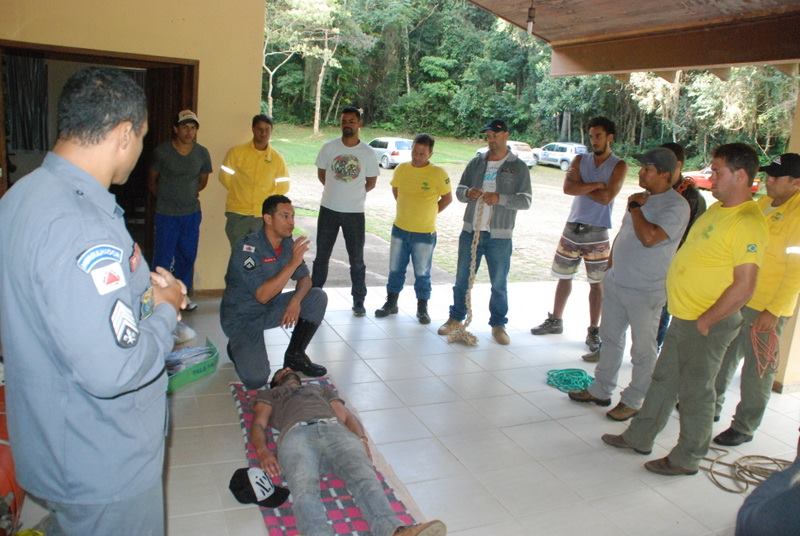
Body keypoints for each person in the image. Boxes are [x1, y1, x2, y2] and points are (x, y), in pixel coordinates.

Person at [0, 67, 186, 535]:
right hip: (103, 456)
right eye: (142, 137)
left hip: (55, 434)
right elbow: (115, 369)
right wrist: (165, 309)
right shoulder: (82, 224)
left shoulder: (22, 195)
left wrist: (145, 293)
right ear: (125, 134)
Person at [602, 143, 769, 477]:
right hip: (686, 314)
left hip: (708, 321)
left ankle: (687, 457)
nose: (710, 175)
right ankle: (640, 436)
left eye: (717, 170)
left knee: (696, 392)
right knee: (664, 380)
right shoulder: (720, 210)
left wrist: (708, 319)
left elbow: (745, 285)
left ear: (739, 175)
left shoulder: (748, 222)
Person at [567, 148, 689, 421]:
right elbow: (625, 235)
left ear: (665, 175)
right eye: (642, 167)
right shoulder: (642, 198)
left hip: (646, 290)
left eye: (647, 169)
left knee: (642, 350)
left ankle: (634, 400)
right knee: (610, 339)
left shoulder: (676, 206)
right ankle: (600, 389)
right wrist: (610, 269)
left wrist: (635, 208)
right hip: (618, 282)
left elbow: (649, 237)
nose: (641, 173)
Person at [251, 367, 447, 536]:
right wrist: (262, 451)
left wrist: (361, 439)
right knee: (303, 488)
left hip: (335, 429)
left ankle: (395, 531)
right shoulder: (271, 395)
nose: (287, 371)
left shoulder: (318, 388)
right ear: (275, 383)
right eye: (281, 372)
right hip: (296, 434)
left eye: (289, 370)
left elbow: (346, 416)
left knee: (365, 477)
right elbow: (259, 423)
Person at [713, 153, 800, 446]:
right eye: (768, 175)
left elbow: (796, 273)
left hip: (766, 308)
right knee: (724, 356)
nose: (768, 181)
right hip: (741, 299)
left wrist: (773, 311)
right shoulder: (762, 206)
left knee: (757, 370)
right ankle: (710, 405)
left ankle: (744, 426)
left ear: (796, 183)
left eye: (776, 178)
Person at [531, 116, 627, 353]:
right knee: (564, 276)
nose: (594, 140)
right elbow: (568, 188)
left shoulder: (619, 165)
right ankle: (555, 320)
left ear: (610, 137)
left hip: (598, 232)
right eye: (591, 136)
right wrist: (596, 185)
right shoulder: (579, 159)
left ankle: (594, 329)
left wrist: (583, 184)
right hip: (572, 227)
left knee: (597, 284)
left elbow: (608, 197)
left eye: (598, 136)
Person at [437, 119, 532, 345]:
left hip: (500, 236)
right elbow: (459, 191)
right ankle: (455, 318)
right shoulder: (476, 162)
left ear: (506, 135)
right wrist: (468, 192)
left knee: (498, 283)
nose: (490, 140)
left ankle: (498, 325)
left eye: (495, 135)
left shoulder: (518, 167)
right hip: (471, 231)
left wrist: (500, 198)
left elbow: (526, 201)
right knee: (461, 279)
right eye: (488, 136)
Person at [221, 195, 327, 389]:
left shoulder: (287, 243)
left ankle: (295, 355)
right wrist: (293, 262)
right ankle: (236, 348)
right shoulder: (247, 248)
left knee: (317, 297)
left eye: (293, 216)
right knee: (257, 379)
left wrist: (295, 301)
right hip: (241, 318)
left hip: (268, 309)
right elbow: (262, 295)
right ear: (268, 219)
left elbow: (305, 280)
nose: (292, 223)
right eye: (285, 216)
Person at [374, 134, 452, 324]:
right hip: (400, 229)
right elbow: (396, 191)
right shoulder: (401, 169)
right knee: (395, 269)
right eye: (415, 152)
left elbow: (447, 199)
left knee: (422, 273)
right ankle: (391, 303)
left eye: (422, 154)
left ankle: (422, 308)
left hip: (425, 234)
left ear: (430, 153)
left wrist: (430, 213)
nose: (417, 157)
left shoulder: (438, 173)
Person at [311, 106, 379, 317]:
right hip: (328, 209)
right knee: (321, 256)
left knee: (356, 260)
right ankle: (314, 297)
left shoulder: (367, 153)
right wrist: (336, 192)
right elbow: (322, 175)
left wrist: (352, 194)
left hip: (355, 214)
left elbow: (371, 182)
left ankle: (358, 300)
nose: (347, 124)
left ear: (359, 124)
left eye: (351, 121)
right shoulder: (329, 148)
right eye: (344, 121)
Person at [147, 109, 212, 311]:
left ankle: (182, 296)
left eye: (193, 128)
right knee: (163, 258)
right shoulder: (162, 152)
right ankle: (157, 298)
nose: (189, 132)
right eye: (185, 127)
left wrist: (185, 195)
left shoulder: (202, 153)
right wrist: (168, 197)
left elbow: (202, 182)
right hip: (166, 214)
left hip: (191, 214)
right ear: (176, 129)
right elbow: (152, 181)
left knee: (187, 255)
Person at [654, 142, 707, 349]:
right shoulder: (655, 188)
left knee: (661, 312)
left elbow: (693, 239)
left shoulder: (693, 198)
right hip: (648, 264)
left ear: (677, 164)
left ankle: (653, 351)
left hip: (672, 266)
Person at [220, 114, 289, 248]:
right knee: (239, 256)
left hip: (263, 217)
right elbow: (224, 178)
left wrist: (268, 203)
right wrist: (240, 193)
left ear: (271, 131)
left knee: (260, 257)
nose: (263, 133)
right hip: (238, 215)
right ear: (252, 129)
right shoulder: (236, 153)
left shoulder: (277, 158)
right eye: (259, 129)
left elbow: (283, 186)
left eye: (267, 129)